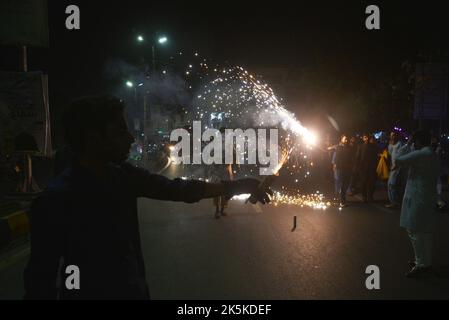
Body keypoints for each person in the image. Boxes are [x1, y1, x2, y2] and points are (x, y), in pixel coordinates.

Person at [23, 96, 272, 300]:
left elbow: (178, 190)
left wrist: (240, 185)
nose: (130, 138)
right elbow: (39, 282)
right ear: (93, 139)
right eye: (120, 132)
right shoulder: (55, 201)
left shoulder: (122, 177)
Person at [393, 130, 440, 277]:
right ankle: (426, 263)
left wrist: (406, 144)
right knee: (425, 232)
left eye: (414, 141)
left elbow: (398, 159)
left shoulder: (420, 154)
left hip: (417, 198)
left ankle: (421, 264)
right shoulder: (432, 154)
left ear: (417, 141)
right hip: (427, 196)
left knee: (414, 231)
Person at [356, 134, 379, 202]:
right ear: (363, 138)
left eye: (368, 137)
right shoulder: (360, 146)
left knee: (372, 183)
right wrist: (358, 166)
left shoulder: (373, 146)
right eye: (365, 137)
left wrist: (376, 165)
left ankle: (370, 196)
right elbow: (358, 157)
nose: (367, 139)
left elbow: (376, 156)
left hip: (372, 167)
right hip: (363, 167)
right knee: (363, 182)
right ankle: (364, 196)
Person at [332, 134, 353, 207]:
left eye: (347, 139)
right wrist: (334, 165)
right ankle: (342, 201)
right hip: (340, 168)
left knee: (346, 184)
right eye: (345, 139)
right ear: (341, 139)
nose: (346, 140)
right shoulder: (338, 147)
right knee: (341, 184)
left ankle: (343, 199)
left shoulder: (349, 148)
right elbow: (336, 157)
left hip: (347, 168)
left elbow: (351, 157)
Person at [385, 131, 404, 209]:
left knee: (392, 184)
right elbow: (390, 154)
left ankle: (395, 202)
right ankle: (393, 201)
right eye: (391, 135)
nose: (392, 137)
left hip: (397, 167)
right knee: (390, 185)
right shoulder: (391, 144)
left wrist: (396, 165)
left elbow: (400, 155)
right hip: (393, 167)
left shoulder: (400, 144)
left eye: (393, 135)